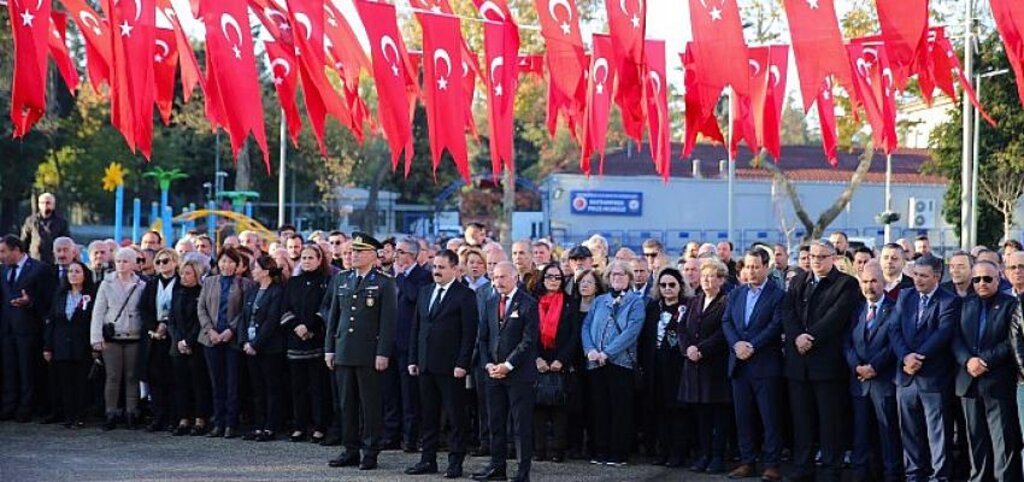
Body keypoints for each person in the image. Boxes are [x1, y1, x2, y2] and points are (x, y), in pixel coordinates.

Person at [781, 240, 860, 482]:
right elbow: (788, 312)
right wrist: (797, 336)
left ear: (833, 257)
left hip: (827, 364)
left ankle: (830, 468)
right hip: (798, 364)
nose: (816, 260)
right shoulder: (798, 281)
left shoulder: (846, 284)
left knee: (830, 421)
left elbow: (836, 317)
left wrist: (811, 337)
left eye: (822, 256)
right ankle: (803, 466)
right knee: (802, 420)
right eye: (812, 255)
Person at [324, 232, 396, 471]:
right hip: (344, 349)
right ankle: (350, 449)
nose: (353, 255)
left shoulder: (385, 282)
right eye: (353, 251)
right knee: (347, 403)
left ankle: (371, 451)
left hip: (369, 352)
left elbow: (388, 322)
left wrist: (383, 352)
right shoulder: (342, 279)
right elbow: (334, 317)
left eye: (359, 252)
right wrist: (329, 349)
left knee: (370, 405)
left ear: (373, 256)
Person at [405, 249, 478, 478]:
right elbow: (416, 328)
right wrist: (413, 359)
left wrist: (462, 363)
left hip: (451, 368)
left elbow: (469, 333)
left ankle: (455, 462)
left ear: (455, 270)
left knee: (456, 416)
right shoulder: (425, 292)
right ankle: (428, 460)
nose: (436, 271)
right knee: (428, 415)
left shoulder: (465, 295)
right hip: (425, 365)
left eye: (441, 267)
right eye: (434, 267)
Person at [890, 254, 962, 482]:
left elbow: (943, 333)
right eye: (916, 275)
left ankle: (939, 477)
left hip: (933, 378)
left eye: (924, 276)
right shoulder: (905, 296)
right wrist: (905, 357)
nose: (918, 280)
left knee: (938, 434)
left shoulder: (949, 301)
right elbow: (894, 330)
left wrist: (918, 356)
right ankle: (914, 476)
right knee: (909, 433)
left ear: (937, 277)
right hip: (906, 378)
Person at [951, 261, 1024, 482]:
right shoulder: (965, 304)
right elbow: (955, 338)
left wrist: (984, 361)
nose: (981, 283)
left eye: (987, 279)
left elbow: (1010, 341)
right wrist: (968, 361)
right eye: (977, 279)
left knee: (1003, 440)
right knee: (976, 440)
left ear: (999, 277)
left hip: (997, 381)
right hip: (969, 381)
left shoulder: (1011, 304)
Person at [722, 248, 786, 482]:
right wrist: (737, 344)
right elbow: (727, 320)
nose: (750, 271)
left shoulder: (777, 295)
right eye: (747, 267)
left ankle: (772, 464)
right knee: (743, 417)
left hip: (765, 365)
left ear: (766, 266)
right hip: (739, 365)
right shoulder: (737, 294)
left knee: (769, 418)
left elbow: (776, 325)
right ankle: (747, 461)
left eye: (755, 267)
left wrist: (751, 346)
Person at [473, 261, 539, 482]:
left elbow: (529, 341)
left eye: (502, 277)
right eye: (495, 277)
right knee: (496, 423)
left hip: (519, 375)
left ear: (515, 278)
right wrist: (489, 365)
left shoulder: (528, 303)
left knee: (521, 426)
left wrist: (508, 365)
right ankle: (497, 467)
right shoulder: (491, 302)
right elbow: (483, 338)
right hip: (493, 375)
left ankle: (523, 472)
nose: (497, 281)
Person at [580, 260, 645, 467]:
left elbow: (631, 332)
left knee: (620, 409)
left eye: (622, 274)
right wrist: (590, 349)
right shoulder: (600, 300)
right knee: (599, 408)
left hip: (620, 363)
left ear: (629, 278)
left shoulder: (635, 302)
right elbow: (587, 325)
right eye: (613, 274)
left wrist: (607, 352)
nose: (617, 278)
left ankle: (618, 452)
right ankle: (601, 449)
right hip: (596, 364)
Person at [843, 261, 903, 482]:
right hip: (858, 382)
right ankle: (860, 475)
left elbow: (893, 344)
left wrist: (874, 367)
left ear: (883, 282)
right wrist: (856, 366)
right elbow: (847, 342)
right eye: (865, 282)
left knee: (887, 435)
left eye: (874, 281)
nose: (869, 286)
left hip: (883, 381)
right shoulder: (857, 309)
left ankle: (891, 475)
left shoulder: (896, 307)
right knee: (860, 434)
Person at [678, 260, 731, 473]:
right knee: (701, 415)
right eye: (704, 276)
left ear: (721, 279)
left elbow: (722, 332)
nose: (707, 280)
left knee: (718, 414)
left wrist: (701, 349)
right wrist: (688, 348)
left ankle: (717, 455)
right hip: (694, 367)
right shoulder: (694, 301)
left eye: (712, 276)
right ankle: (704, 453)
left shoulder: (726, 301)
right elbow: (681, 328)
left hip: (714, 366)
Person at [197, 248, 254, 439]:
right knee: (216, 382)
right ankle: (218, 422)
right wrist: (210, 330)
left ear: (237, 265)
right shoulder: (209, 282)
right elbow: (202, 308)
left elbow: (244, 312)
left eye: (230, 262)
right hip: (210, 338)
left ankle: (231, 423)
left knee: (232, 383)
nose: (226, 265)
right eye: (223, 261)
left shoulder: (245, 284)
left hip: (232, 339)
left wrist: (231, 330)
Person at [90, 247, 147, 430]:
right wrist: (96, 338)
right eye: (118, 261)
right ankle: (110, 413)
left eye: (125, 261)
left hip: (134, 334)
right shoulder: (106, 284)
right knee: (113, 376)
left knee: (132, 376)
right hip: (112, 337)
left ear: (132, 263)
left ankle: (132, 412)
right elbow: (98, 312)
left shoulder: (141, 285)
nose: (121, 264)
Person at [0, 235, 54, 422]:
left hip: (29, 330)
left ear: (16, 250)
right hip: (7, 330)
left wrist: (30, 302)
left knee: (27, 370)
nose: (1, 256)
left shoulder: (40, 269)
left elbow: (49, 302)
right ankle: (9, 406)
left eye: (3, 251)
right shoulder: (3, 270)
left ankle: (27, 407)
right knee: (9, 369)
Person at [530, 263, 580, 464]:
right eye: (549, 277)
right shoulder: (532, 301)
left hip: (561, 361)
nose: (553, 280)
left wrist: (561, 359)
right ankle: (539, 449)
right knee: (538, 408)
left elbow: (574, 335)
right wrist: (536, 358)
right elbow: (526, 333)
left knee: (560, 409)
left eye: (557, 277)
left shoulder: (570, 303)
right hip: (538, 360)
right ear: (542, 279)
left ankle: (557, 450)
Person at [385, 237, 432, 452]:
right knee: (391, 393)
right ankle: (391, 435)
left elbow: (414, 297)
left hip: (408, 344)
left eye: (401, 252)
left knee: (409, 395)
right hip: (389, 343)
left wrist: (402, 277)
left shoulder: (423, 276)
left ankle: (410, 437)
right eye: (396, 251)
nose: (396, 255)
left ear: (412, 255)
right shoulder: (390, 275)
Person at [640, 267, 689, 467]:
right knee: (659, 410)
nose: (667, 289)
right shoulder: (653, 307)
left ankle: (678, 453)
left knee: (677, 412)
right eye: (663, 285)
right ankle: (663, 451)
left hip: (678, 368)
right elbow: (645, 339)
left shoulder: (687, 307)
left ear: (680, 286)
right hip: (655, 368)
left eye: (671, 285)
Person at [282, 245, 331, 443]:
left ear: (319, 260)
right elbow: (285, 308)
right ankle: (299, 426)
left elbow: (326, 308)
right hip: (295, 340)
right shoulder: (293, 282)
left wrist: (309, 326)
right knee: (297, 388)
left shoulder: (326, 282)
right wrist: (297, 326)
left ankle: (319, 426)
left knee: (319, 388)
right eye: (304, 257)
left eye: (311, 257)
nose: (307, 261)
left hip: (316, 339)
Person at [42, 259, 95, 428]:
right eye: (70, 271)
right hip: (61, 345)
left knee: (81, 382)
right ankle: (68, 415)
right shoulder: (60, 294)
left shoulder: (90, 296)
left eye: (77, 271)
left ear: (85, 275)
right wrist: (48, 346)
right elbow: (52, 321)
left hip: (82, 345)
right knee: (64, 382)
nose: (73, 275)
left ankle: (80, 415)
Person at [239, 254, 286, 442]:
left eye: (256, 268)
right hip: (250, 347)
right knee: (257, 389)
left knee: (271, 388)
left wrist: (256, 344)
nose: (253, 271)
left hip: (269, 348)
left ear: (266, 271)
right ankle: (259, 425)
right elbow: (244, 317)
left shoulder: (277, 291)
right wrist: (244, 341)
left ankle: (271, 426)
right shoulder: (252, 290)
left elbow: (272, 321)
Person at [166, 257, 211, 436]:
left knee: (198, 383)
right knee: (180, 383)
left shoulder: (202, 292)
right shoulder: (177, 292)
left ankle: (200, 418)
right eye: (182, 273)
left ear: (197, 275)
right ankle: (183, 418)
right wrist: (178, 339)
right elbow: (172, 320)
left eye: (188, 273)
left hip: (196, 345)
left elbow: (200, 320)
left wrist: (189, 341)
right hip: (177, 344)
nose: (184, 277)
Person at [137, 248, 179, 432]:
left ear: (175, 262)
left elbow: (182, 309)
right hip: (154, 338)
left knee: (173, 378)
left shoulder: (181, 284)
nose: (163, 265)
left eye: (167, 261)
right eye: (160, 262)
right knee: (155, 378)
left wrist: (166, 324)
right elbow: (143, 308)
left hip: (173, 337)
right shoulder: (152, 284)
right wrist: (154, 326)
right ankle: (157, 416)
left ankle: (173, 417)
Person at [20, 193, 71, 265]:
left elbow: (66, 242)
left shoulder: (61, 222)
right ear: (39, 205)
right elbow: (24, 241)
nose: (45, 205)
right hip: (34, 261)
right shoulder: (31, 221)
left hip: (53, 262)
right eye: (42, 203)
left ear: (53, 205)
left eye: (48, 203)